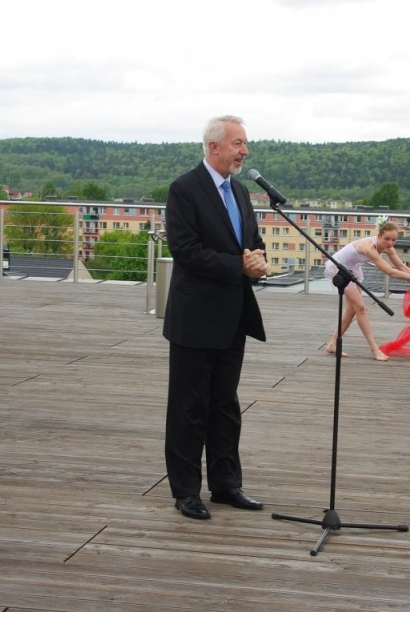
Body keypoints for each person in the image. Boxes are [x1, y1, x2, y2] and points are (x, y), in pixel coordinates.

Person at [162, 115, 270, 520]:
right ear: (214, 147)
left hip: (233, 315)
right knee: (189, 406)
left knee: (225, 405)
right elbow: (186, 250)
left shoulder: (240, 192)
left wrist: (257, 259)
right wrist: (237, 266)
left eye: (245, 144)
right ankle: (186, 491)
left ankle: (226, 484)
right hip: (195, 317)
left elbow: (251, 241)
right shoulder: (184, 189)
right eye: (238, 143)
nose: (245, 151)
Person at [324, 218, 410, 360]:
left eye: (393, 240)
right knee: (360, 308)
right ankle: (374, 349)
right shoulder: (369, 247)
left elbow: (401, 267)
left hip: (353, 268)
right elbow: (391, 272)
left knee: (352, 310)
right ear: (379, 236)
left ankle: (332, 344)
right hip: (338, 268)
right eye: (386, 239)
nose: (389, 243)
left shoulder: (389, 248)